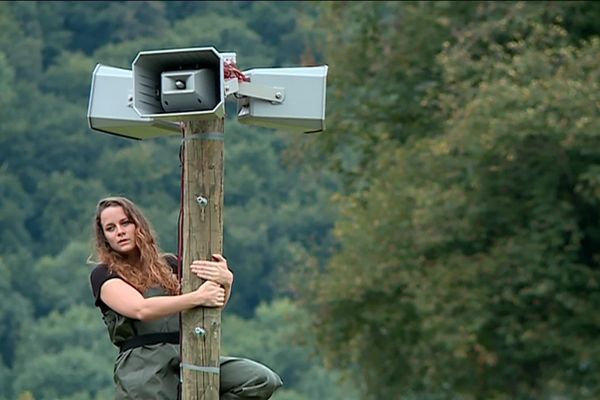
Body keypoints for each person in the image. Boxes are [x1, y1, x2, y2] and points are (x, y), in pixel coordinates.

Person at [89, 196, 282, 400]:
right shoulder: (104, 274)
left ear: (138, 225)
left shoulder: (170, 264)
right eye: (110, 228)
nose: (119, 231)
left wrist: (226, 281)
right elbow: (141, 309)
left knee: (260, 379)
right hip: (143, 366)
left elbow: (209, 304)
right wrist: (197, 296)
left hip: (189, 351)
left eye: (125, 223)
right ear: (105, 238)